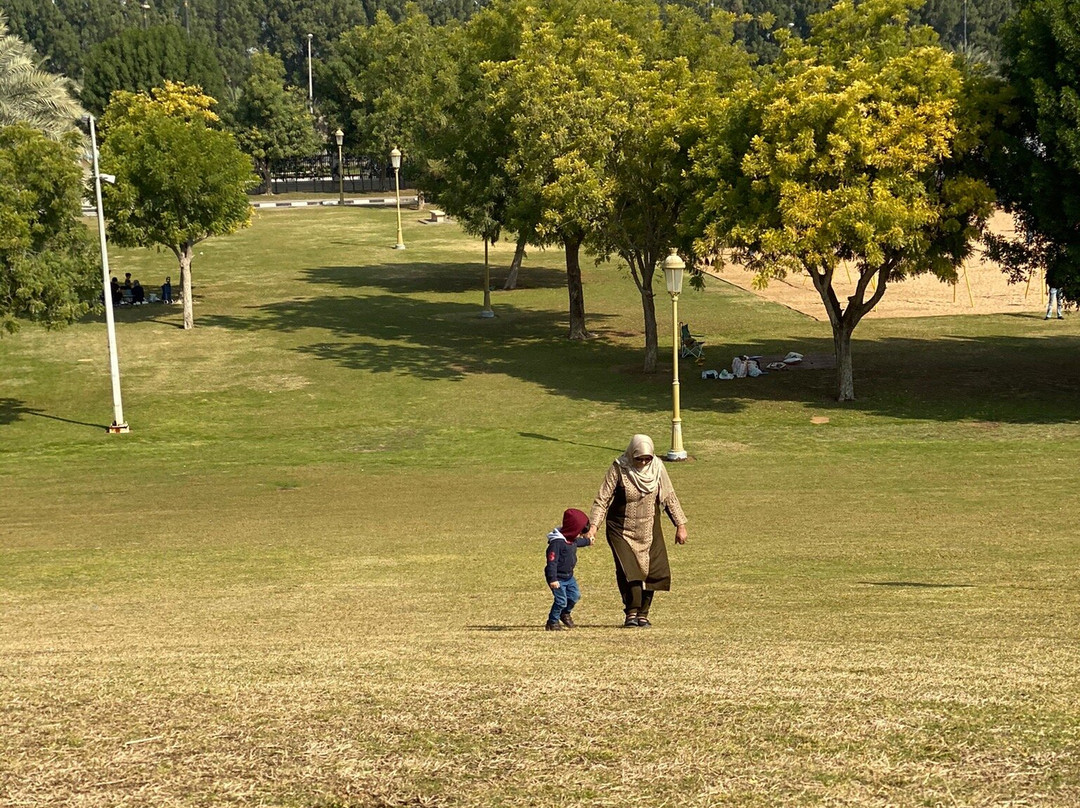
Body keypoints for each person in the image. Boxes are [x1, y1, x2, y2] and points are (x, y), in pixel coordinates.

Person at [585, 435, 687, 628]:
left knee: (654, 570)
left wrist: (680, 525)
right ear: (632, 454)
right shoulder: (619, 468)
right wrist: (593, 527)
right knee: (630, 571)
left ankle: (643, 614)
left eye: (646, 458)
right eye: (639, 458)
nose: (642, 462)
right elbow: (602, 499)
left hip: (649, 527)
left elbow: (669, 497)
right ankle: (631, 612)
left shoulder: (657, 467)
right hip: (621, 529)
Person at [544, 508, 593, 631]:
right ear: (573, 529)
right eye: (579, 531)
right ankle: (552, 622)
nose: (580, 534)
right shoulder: (557, 543)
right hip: (557, 578)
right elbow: (552, 562)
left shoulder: (572, 540)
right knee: (561, 600)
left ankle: (564, 613)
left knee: (575, 596)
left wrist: (588, 541)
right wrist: (553, 579)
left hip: (569, 576)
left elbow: (578, 542)